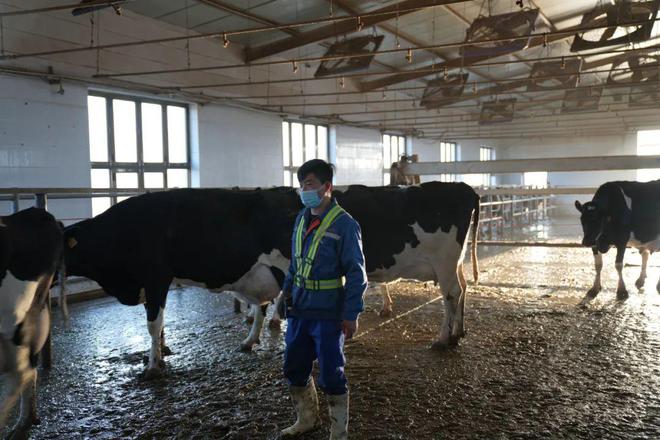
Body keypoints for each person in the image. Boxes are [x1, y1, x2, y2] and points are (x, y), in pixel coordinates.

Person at [280, 159, 368, 440]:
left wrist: (352, 313)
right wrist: (285, 294)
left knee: (331, 374)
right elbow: (295, 263)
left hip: (329, 311)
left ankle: (338, 432)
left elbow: (357, 273)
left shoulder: (345, 225)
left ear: (327, 187)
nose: (304, 190)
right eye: (301, 184)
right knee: (294, 367)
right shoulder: (301, 219)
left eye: (310, 184)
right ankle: (306, 419)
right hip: (300, 308)